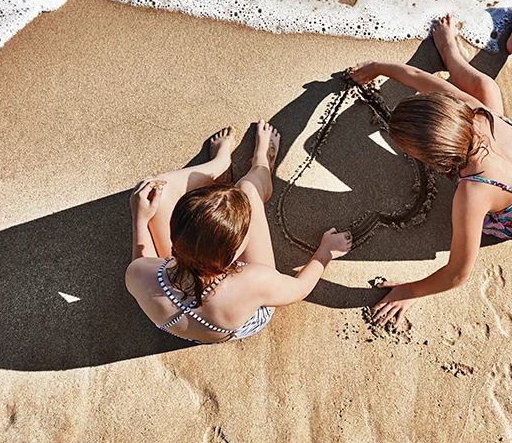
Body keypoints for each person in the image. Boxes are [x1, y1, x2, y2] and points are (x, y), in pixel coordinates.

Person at [349, 0, 512, 326]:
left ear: (436, 161)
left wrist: (409, 291)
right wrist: (380, 67)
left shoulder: (472, 195)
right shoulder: (476, 112)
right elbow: (419, 78)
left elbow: (458, 273)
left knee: (497, 84)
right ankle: (487, 47)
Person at [125, 120, 352, 344]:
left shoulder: (140, 275)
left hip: (181, 286)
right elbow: (300, 289)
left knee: (155, 190)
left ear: (174, 234)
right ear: (236, 255)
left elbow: (142, 260)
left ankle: (219, 166)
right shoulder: (254, 281)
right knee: (247, 191)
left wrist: (141, 216)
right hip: (236, 312)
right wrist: (325, 252)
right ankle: (260, 165)